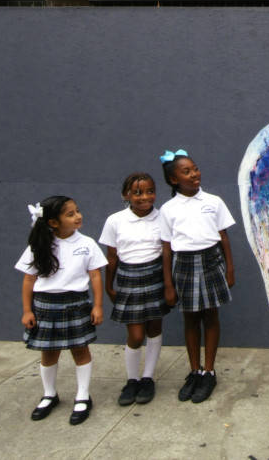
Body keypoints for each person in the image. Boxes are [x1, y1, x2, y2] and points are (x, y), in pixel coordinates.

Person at [15, 196, 107, 425]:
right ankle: (49, 394)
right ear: (54, 222)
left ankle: (83, 396)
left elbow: (95, 275)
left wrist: (97, 305)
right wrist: (27, 310)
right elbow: (29, 280)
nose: (78, 216)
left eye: (78, 211)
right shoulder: (39, 247)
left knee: (80, 349)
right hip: (45, 305)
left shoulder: (86, 243)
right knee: (48, 353)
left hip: (76, 304)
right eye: (70, 214)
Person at [159, 149, 235, 404]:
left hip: (212, 261)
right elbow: (167, 248)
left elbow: (224, 237)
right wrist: (168, 283)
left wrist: (230, 269)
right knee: (190, 319)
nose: (194, 174)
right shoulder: (168, 209)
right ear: (173, 180)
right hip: (184, 265)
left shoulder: (213, 202)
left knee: (211, 316)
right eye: (186, 171)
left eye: (195, 168)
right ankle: (195, 371)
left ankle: (209, 371)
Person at [100, 173, 172, 406]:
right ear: (126, 195)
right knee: (135, 335)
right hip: (128, 279)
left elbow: (167, 253)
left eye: (150, 191)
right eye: (138, 192)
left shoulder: (163, 217)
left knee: (153, 329)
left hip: (155, 277)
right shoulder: (115, 220)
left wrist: (169, 284)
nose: (145, 197)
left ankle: (148, 378)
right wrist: (109, 287)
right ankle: (132, 380)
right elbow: (111, 257)